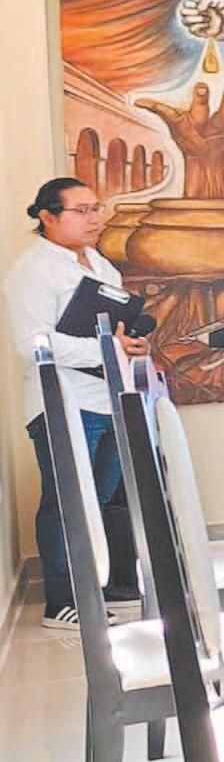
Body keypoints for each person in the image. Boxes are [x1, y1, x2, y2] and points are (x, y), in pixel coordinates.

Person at [4, 178, 144, 630]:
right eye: (81, 210)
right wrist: (106, 349)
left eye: (96, 208)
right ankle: (63, 601)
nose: (94, 218)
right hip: (62, 401)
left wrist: (127, 346)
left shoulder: (101, 265)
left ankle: (96, 589)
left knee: (97, 500)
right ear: (47, 216)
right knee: (67, 501)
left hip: (107, 398)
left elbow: (112, 331)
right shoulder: (35, 269)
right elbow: (33, 343)